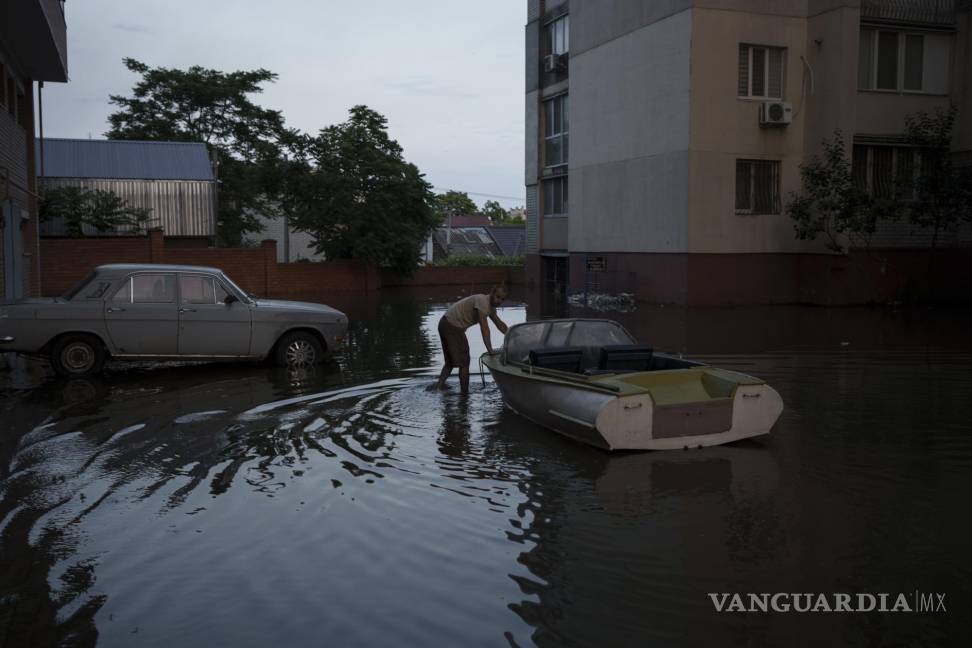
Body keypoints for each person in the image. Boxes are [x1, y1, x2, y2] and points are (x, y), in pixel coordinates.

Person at [435, 285, 509, 394]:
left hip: (445, 323)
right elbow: (484, 328)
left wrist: (513, 335)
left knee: (450, 362)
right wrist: (490, 350)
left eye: (502, 299)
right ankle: (464, 394)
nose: (499, 301)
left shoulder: (490, 307)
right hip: (452, 326)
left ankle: (438, 388)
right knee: (464, 362)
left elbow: (500, 324)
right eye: (498, 297)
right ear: (492, 293)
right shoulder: (483, 302)